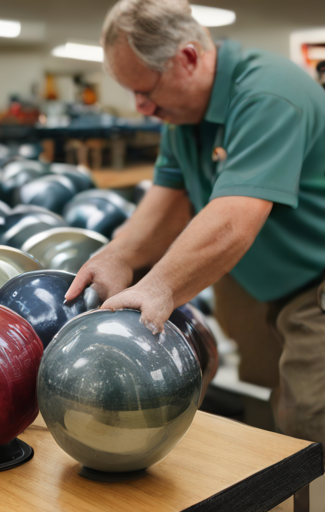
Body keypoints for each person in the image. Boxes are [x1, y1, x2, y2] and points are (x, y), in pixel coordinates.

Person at [65, 0, 325, 447]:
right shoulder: (181, 114)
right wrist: (118, 255)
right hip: (255, 281)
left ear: (187, 58)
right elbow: (169, 201)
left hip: (315, 282)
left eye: (145, 90)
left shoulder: (268, 93)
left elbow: (235, 217)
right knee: (263, 405)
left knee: (310, 419)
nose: (141, 107)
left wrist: (158, 287)